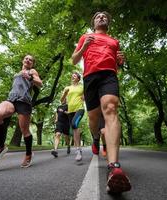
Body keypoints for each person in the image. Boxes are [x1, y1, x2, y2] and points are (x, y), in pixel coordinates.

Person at [71, 11, 131, 193]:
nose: (101, 17)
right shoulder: (86, 37)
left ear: (108, 23)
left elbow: (117, 64)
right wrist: (84, 47)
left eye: (104, 16)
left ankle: (114, 167)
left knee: (111, 109)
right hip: (90, 77)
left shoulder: (114, 41)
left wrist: (120, 62)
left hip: (109, 76)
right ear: (94, 22)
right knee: (93, 120)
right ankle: (96, 138)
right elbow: (74, 60)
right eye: (98, 16)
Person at [0, 54, 43, 168]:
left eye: (30, 60)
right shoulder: (17, 73)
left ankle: (28, 154)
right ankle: (0, 146)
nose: (28, 60)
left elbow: (40, 83)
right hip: (12, 99)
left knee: (24, 130)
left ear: (32, 64)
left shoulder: (32, 71)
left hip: (24, 101)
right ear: (23, 60)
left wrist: (30, 77)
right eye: (26, 58)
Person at [60, 72, 85, 161]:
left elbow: (85, 96)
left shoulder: (82, 87)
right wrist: (64, 94)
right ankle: (78, 149)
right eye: (72, 76)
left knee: (74, 124)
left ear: (78, 78)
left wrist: (84, 97)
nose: (73, 77)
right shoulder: (68, 88)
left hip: (80, 109)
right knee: (74, 128)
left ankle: (78, 150)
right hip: (70, 111)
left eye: (75, 76)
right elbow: (62, 100)